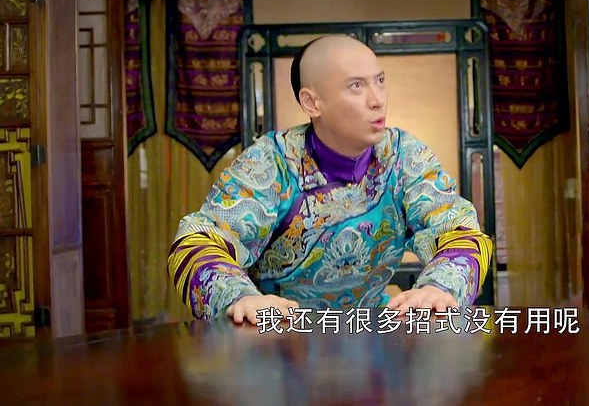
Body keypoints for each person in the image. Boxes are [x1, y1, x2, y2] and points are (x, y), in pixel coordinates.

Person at [167, 35, 493, 325]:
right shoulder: (271, 162)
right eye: (356, 86)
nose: (377, 99)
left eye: (380, 81)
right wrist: (239, 297)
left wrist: (439, 287)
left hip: (372, 333)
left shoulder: (403, 155)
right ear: (311, 102)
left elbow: (459, 231)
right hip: (278, 335)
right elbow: (198, 242)